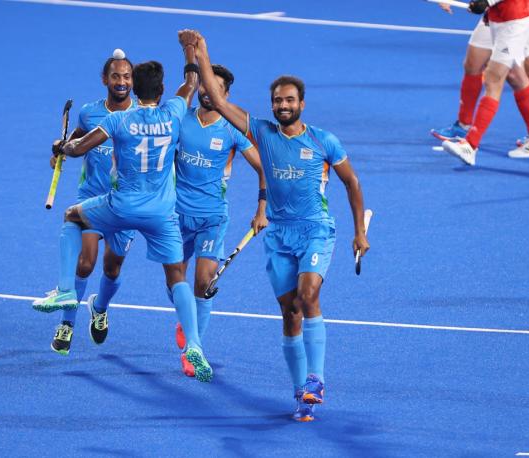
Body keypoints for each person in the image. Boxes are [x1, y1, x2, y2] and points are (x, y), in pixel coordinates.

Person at [192, 31, 370, 421]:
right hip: (278, 236)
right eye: (277, 100)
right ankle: (300, 394)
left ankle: (317, 379)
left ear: (301, 104)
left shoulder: (325, 142)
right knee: (289, 313)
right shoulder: (260, 132)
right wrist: (202, 54)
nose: (282, 105)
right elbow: (219, 101)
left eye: (289, 100)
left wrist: (359, 231)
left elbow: (352, 183)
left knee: (308, 298)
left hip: (315, 230)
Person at [33, 31, 215, 383]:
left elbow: (78, 148)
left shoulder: (119, 120)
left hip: (120, 208)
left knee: (72, 216)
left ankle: (66, 289)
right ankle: (194, 344)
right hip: (161, 214)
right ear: (161, 93)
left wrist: (62, 147)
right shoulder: (176, 112)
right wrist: (189, 48)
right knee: (178, 276)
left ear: (135, 88)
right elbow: (190, 81)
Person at [172, 63, 268, 377]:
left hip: (212, 217)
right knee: (175, 283)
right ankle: (186, 318)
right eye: (203, 85)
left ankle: (193, 349)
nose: (206, 92)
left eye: (215, 88)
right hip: (175, 215)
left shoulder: (231, 129)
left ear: (223, 94)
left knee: (202, 283)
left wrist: (262, 209)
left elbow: (264, 168)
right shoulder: (181, 120)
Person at [41, 50, 137, 356]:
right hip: (92, 199)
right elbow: (78, 143)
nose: (121, 82)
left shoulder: (143, 116)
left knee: (112, 268)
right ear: (104, 80)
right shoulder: (89, 112)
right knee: (85, 262)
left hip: (126, 204)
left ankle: (99, 307)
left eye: (126, 77)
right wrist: (62, 149)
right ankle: (67, 323)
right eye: (115, 76)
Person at [431, 1, 529, 159]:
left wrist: (487, 1)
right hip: (499, 17)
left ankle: (469, 145)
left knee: (494, 78)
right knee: (513, 75)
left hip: (513, 19)